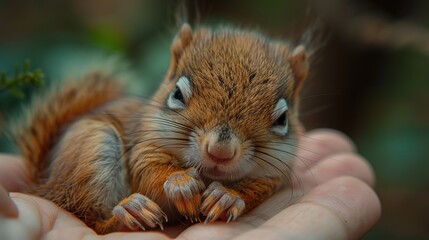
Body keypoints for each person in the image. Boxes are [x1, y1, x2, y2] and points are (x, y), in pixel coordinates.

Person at [0, 129, 381, 240]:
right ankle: (105, 221)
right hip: (96, 192)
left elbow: (263, 185)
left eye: (278, 120)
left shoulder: (278, 166)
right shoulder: (154, 133)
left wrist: (238, 196)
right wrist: (171, 179)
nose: (220, 150)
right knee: (96, 139)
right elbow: (146, 161)